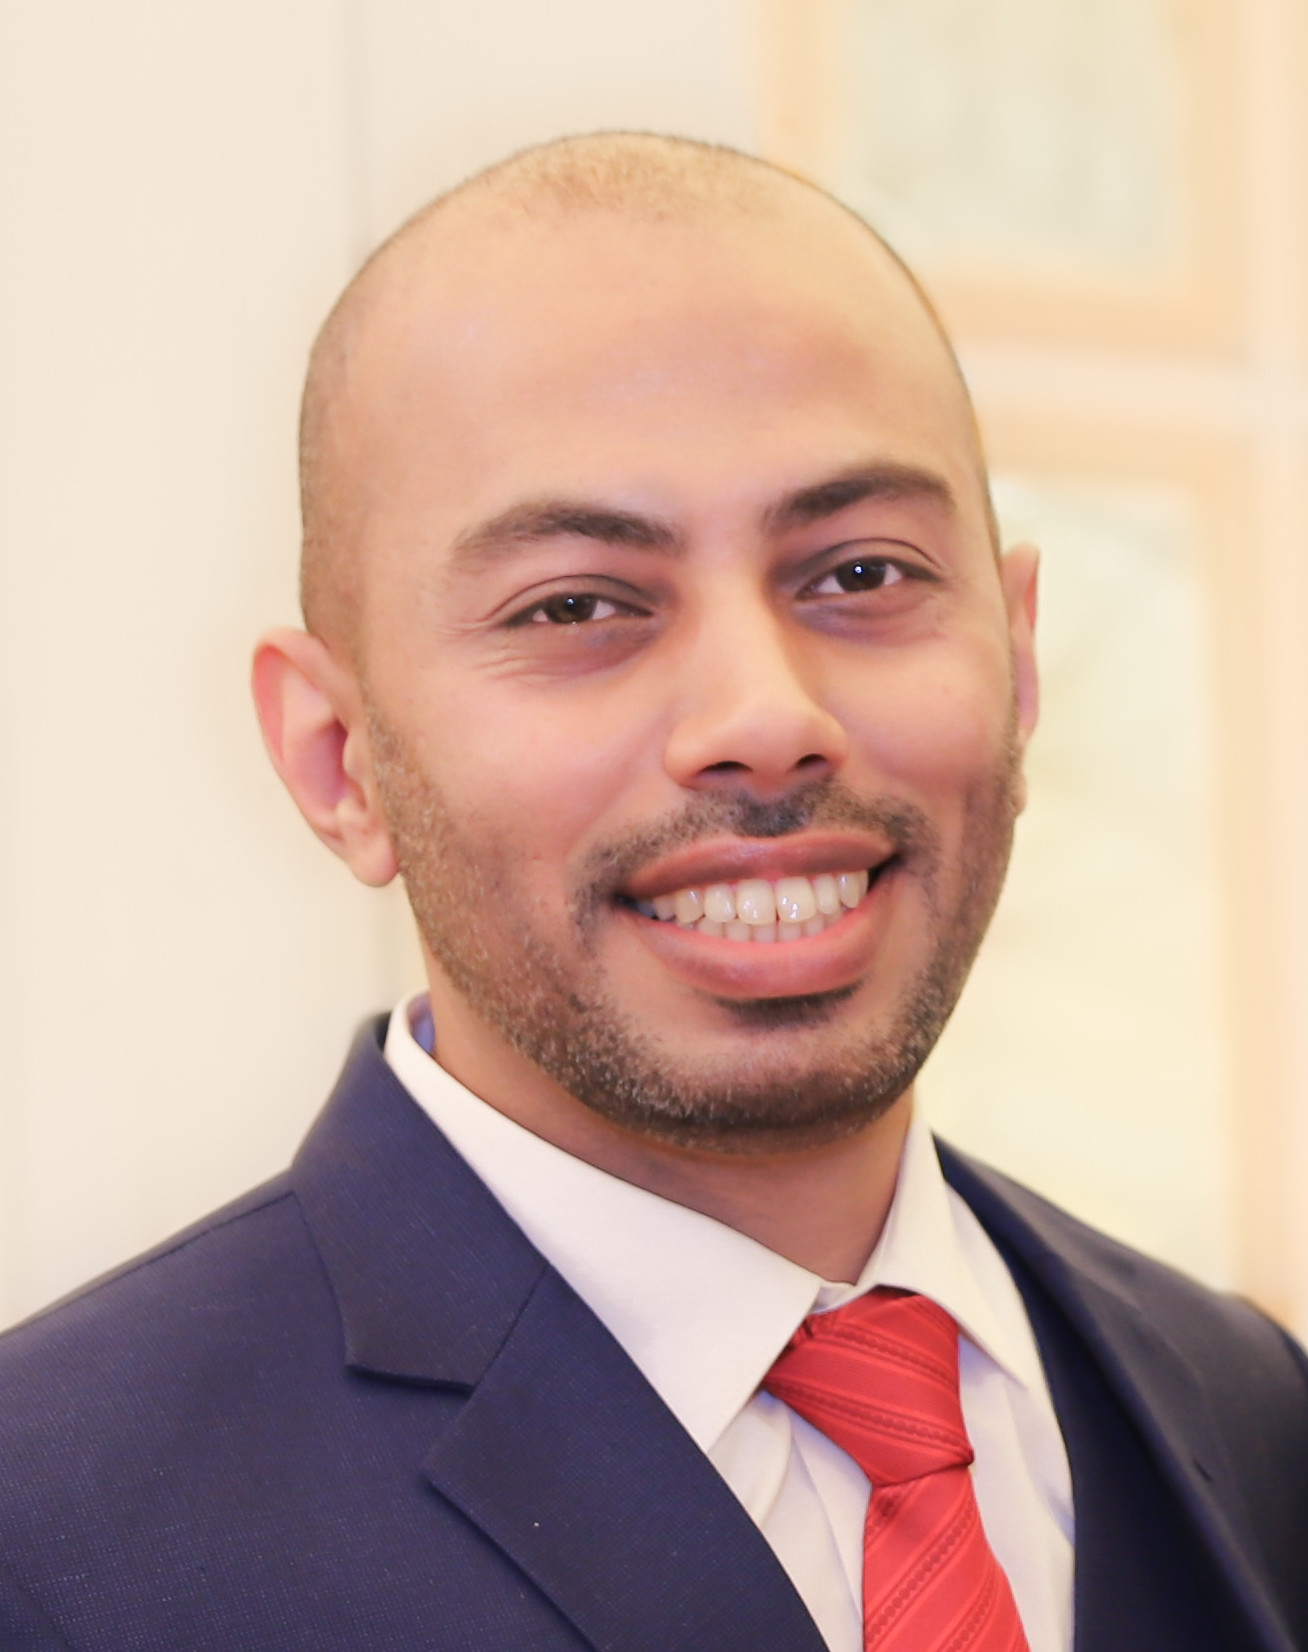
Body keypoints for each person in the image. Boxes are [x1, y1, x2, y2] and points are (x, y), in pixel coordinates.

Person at [0, 132, 1305, 1652]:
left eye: (863, 575)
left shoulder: (1250, 1413)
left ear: (1015, 661)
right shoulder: (50, 1536)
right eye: (577, 606)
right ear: (339, 761)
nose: (765, 715)